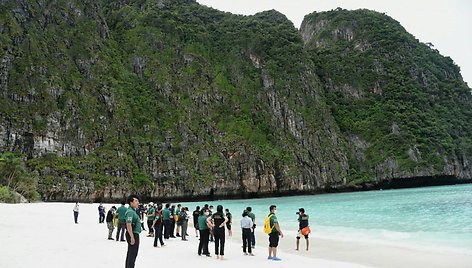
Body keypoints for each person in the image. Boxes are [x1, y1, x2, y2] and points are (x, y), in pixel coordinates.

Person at [125, 194, 142, 268]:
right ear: (131, 202)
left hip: (134, 233)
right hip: (133, 234)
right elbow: (128, 224)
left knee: (131, 254)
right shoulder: (130, 212)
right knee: (132, 255)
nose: (138, 202)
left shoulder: (133, 211)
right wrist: (132, 237)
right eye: (136, 201)